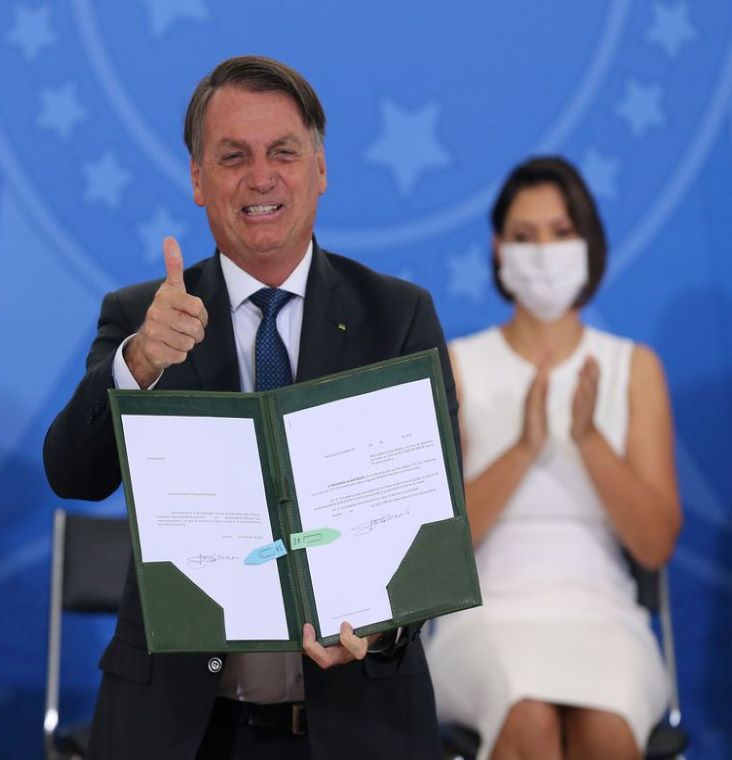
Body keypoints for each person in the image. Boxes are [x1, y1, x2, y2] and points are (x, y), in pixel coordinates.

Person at [43, 55, 458, 760]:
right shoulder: (148, 319)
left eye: (283, 153)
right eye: (233, 157)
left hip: (357, 723)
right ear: (198, 179)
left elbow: (433, 513)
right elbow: (73, 474)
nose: (261, 178)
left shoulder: (396, 316)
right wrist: (138, 363)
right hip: (180, 728)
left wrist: (383, 625)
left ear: (319, 169)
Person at [425, 156, 681, 759]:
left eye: (561, 232)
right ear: (498, 249)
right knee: (528, 717)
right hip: (484, 617)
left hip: (605, 613)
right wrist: (524, 448)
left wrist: (589, 440)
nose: (543, 253)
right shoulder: (458, 365)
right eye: (524, 235)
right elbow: (438, 552)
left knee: (605, 728)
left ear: (588, 242)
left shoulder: (632, 369)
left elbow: (654, 545)